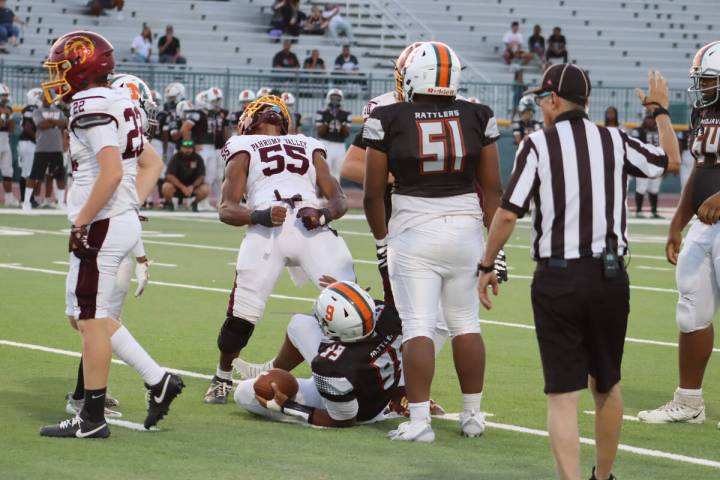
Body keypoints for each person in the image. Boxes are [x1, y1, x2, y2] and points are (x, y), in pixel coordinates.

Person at [477, 64, 679, 480]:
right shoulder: (615, 140)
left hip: (558, 278)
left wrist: (486, 263)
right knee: (606, 385)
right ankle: (602, 478)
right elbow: (671, 161)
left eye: (542, 99)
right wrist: (659, 111)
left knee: (563, 396)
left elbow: (509, 213)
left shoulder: (537, 145)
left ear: (553, 100)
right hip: (609, 277)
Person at [38, 31, 184, 439]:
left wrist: (83, 220)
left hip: (101, 222)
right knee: (82, 317)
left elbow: (113, 171)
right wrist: (128, 206)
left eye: (62, 67)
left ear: (84, 66)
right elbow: (151, 164)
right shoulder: (122, 99)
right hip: (114, 217)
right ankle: (158, 380)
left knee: (92, 320)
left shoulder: (91, 102)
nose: (58, 77)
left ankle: (92, 417)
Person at [364, 42, 503, 443]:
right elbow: (493, 189)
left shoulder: (386, 117)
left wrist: (381, 240)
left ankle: (420, 420)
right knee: (465, 324)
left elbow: (373, 193)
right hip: (467, 230)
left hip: (413, 227)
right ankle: (473, 416)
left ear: (413, 77)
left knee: (418, 325)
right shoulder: (479, 114)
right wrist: (497, 250)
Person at [204, 95, 355, 404]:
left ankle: (222, 376)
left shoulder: (242, 145)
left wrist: (319, 213)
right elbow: (339, 201)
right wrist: (322, 214)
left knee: (349, 307)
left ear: (248, 122)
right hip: (295, 225)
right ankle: (223, 375)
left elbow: (226, 209)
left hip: (282, 226)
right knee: (349, 306)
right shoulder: (306, 143)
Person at [638, 41, 720, 430]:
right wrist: (677, 221)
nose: (701, 88)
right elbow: (702, 168)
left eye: (708, 81)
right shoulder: (703, 110)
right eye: (701, 81)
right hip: (704, 226)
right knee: (691, 310)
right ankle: (689, 402)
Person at [235, 281, 402, 427]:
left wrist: (288, 407)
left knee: (243, 393)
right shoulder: (388, 314)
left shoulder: (331, 365)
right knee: (300, 324)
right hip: (373, 383)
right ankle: (270, 367)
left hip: (355, 411)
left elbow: (343, 420)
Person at [23, 95, 68, 211]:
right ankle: (26, 202)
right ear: (42, 99)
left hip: (57, 149)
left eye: (48, 98)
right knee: (34, 176)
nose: (46, 100)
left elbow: (65, 123)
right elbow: (40, 125)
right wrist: (56, 123)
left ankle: (61, 202)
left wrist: (51, 122)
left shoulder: (58, 111)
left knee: (60, 176)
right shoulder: (37, 111)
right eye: (44, 98)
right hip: (42, 148)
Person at [180, 91, 216, 210]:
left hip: (211, 148)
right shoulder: (197, 114)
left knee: (210, 176)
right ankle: (194, 201)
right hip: (202, 148)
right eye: (211, 101)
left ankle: (204, 201)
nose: (213, 104)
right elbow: (185, 129)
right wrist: (191, 146)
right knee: (199, 175)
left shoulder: (211, 114)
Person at [631, 114, 664, 218]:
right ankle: (639, 211)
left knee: (654, 188)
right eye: (648, 119)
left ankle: (654, 211)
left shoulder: (660, 130)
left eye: (652, 119)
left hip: (657, 162)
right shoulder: (638, 131)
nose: (650, 121)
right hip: (643, 163)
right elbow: (634, 146)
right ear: (645, 120)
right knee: (641, 187)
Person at [161, 139, 208, 211]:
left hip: (192, 188)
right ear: (181, 148)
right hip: (177, 187)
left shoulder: (198, 158)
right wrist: (183, 187)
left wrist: (192, 187)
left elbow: (201, 176)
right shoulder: (175, 157)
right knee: (166, 187)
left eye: (190, 148)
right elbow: (169, 176)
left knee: (205, 189)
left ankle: (194, 204)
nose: (187, 150)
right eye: (185, 148)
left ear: (193, 149)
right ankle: (170, 204)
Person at [316, 88, 350, 180]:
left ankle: (335, 194)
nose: (335, 100)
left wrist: (341, 123)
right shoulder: (322, 113)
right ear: (328, 98)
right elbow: (319, 132)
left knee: (337, 171)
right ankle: (322, 193)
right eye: (333, 98)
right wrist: (328, 122)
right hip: (326, 143)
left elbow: (347, 133)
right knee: (325, 170)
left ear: (341, 99)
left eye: (337, 98)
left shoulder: (345, 114)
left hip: (340, 145)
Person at [19, 88, 41, 206]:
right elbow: (27, 127)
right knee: (29, 172)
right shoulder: (32, 109)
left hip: (27, 142)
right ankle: (29, 200)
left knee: (25, 172)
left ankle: (24, 198)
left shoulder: (30, 108)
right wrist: (38, 138)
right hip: (28, 142)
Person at [0, 83, 17, 206]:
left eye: (6, 95)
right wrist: (3, 116)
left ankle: (9, 198)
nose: (5, 98)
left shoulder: (9, 109)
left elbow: (12, 129)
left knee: (8, 171)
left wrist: (8, 117)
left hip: (5, 141)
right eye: (3, 95)